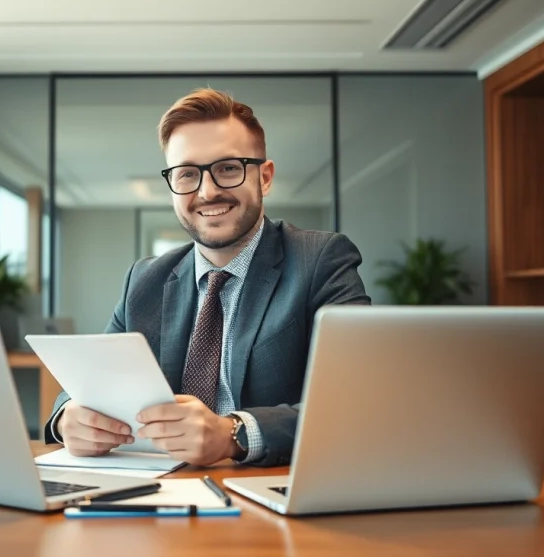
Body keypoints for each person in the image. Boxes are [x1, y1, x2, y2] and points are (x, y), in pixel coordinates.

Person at [43, 88, 370, 467]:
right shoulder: (144, 280)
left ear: (264, 178)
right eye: (186, 174)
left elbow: (359, 398)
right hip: (160, 494)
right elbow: (88, 385)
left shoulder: (320, 260)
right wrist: (68, 418)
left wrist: (235, 433)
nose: (208, 191)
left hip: (271, 493)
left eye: (228, 168)